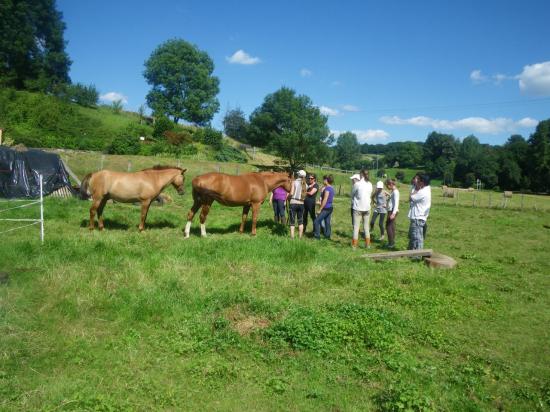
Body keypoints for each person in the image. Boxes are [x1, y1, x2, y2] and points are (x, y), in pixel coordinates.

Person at [350, 169, 373, 248]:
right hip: (367, 208)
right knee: (366, 227)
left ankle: (354, 245)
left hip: (358, 208)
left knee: (356, 227)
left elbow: (352, 194)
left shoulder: (357, 184)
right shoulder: (370, 184)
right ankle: (368, 245)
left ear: (361, 175)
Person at [408, 174, 431, 251]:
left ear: (422, 182)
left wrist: (416, 188)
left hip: (418, 217)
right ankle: (411, 252)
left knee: (417, 237)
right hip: (418, 216)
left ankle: (417, 255)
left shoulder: (423, 192)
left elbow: (411, 197)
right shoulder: (426, 189)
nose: (416, 181)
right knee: (414, 236)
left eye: (418, 180)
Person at [314, 175, 334, 240]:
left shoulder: (327, 189)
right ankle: (327, 236)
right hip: (330, 207)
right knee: (327, 222)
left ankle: (317, 237)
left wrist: (320, 209)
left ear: (326, 180)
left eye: (324, 179)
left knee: (316, 221)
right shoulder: (331, 188)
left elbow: (325, 199)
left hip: (325, 208)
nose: (323, 181)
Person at [289, 169, 307, 239]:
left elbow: (291, 193)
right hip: (302, 203)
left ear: (298, 175)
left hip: (293, 202)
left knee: (292, 221)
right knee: (300, 221)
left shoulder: (294, 182)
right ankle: (300, 237)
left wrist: (288, 197)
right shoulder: (306, 184)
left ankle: (292, 237)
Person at [385, 178, 400, 249]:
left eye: (387, 185)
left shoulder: (395, 192)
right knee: (392, 226)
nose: (387, 187)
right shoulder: (393, 191)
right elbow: (392, 202)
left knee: (388, 226)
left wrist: (393, 213)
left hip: (392, 211)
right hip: (391, 210)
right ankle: (392, 242)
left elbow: (396, 203)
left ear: (390, 184)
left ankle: (391, 243)